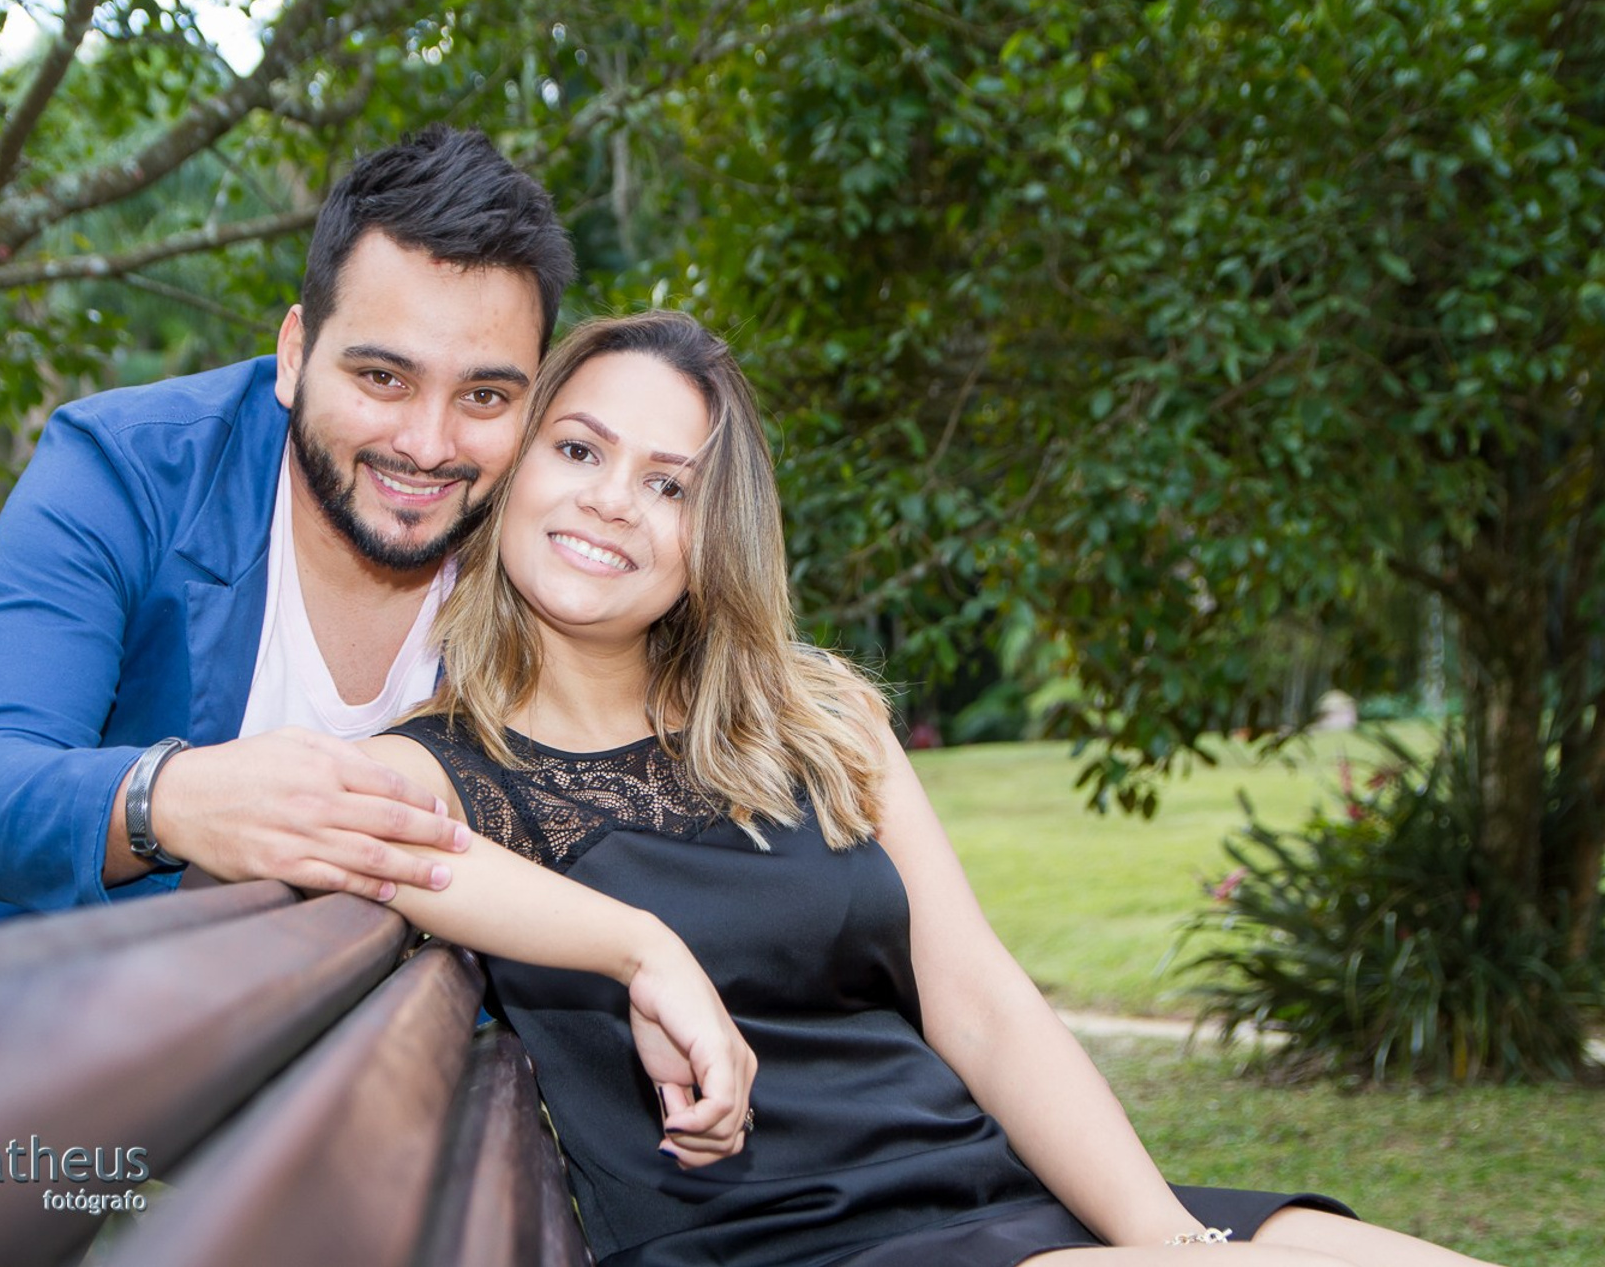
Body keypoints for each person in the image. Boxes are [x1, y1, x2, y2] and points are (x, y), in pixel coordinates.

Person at [341, 312, 1497, 1266]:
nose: (610, 501)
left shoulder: (815, 717)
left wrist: (1166, 1238)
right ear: (515, 469)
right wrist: (642, 948)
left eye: (669, 484)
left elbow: (980, 1001)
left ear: (712, 536)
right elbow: (333, 819)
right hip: (786, 1243)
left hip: (997, 1197)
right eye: (580, 451)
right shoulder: (449, 767)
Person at [0, 126, 575, 946]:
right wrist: (173, 799)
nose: (428, 446)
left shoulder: (545, 544)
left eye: (485, 397)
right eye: (382, 377)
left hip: (295, 1006)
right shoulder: (127, 469)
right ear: (296, 354)